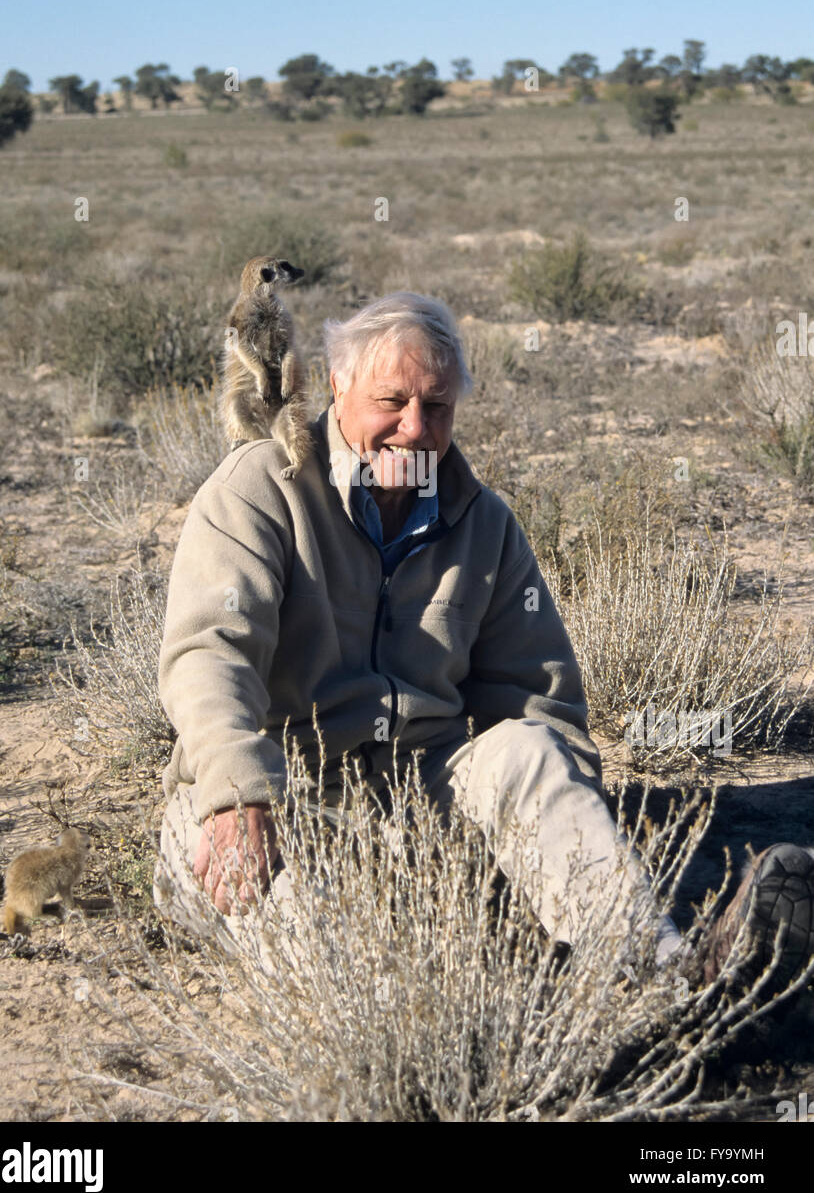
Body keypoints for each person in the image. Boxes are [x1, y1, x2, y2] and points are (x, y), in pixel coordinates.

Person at [154, 291, 814, 994]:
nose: (415, 429)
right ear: (338, 385)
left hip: (420, 803)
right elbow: (210, 654)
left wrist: (556, 842)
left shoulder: (483, 523)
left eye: (436, 407)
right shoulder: (259, 490)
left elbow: (540, 701)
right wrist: (234, 793)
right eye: (392, 401)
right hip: (279, 801)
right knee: (362, 990)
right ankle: (520, 1034)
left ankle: (658, 979)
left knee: (530, 751)